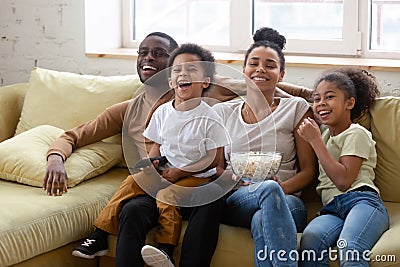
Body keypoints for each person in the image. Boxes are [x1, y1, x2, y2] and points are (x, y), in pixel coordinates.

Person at [43, 31, 312, 265]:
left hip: (198, 181)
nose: (148, 59)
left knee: (212, 198)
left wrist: (316, 97)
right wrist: (56, 158)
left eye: (159, 53)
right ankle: (102, 238)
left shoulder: (209, 93)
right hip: (158, 182)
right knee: (132, 209)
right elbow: (75, 135)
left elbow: (260, 82)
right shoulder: (127, 110)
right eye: (143, 53)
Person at [213, 40, 317, 266]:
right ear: (244, 71)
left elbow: (309, 171)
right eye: (254, 63)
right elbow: (217, 167)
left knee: (264, 214)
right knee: (267, 189)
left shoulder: (296, 108)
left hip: (289, 201)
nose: (261, 69)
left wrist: (280, 189)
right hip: (239, 199)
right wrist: (232, 177)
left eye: (270, 65)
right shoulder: (222, 112)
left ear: (281, 75)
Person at [138, 43, 230, 267]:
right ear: (170, 80)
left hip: (195, 180)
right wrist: (153, 167)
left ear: (205, 81)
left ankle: (166, 248)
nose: (183, 73)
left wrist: (180, 171)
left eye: (191, 69)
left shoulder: (209, 113)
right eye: (177, 70)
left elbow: (214, 160)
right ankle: (99, 234)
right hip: (165, 173)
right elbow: (156, 147)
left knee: (205, 195)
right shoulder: (159, 109)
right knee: (131, 199)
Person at [297, 69, 389, 266]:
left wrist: (315, 141)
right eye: (317, 99)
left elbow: (344, 181)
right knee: (311, 240)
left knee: (350, 246)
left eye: (330, 97)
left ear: (350, 103)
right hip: (332, 209)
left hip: (362, 201)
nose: (321, 103)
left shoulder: (356, 133)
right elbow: (292, 96)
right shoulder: (324, 135)